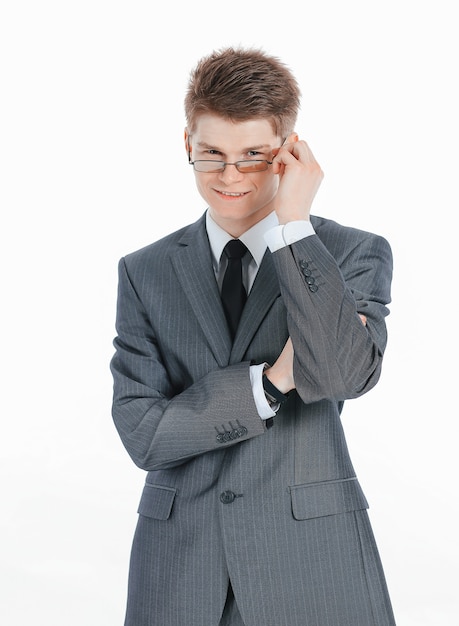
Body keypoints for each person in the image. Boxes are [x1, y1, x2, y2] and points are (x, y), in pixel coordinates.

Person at [110, 47, 396, 626]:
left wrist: (294, 228)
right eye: (211, 154)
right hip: (179, 567)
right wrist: (272, 382)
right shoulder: (146, 271)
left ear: (288, 152)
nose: (231, 176)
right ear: (186, 145)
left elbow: (344, 375)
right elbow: (144, 435)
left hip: (312, 563)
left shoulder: (350, 254)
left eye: (254, 155)